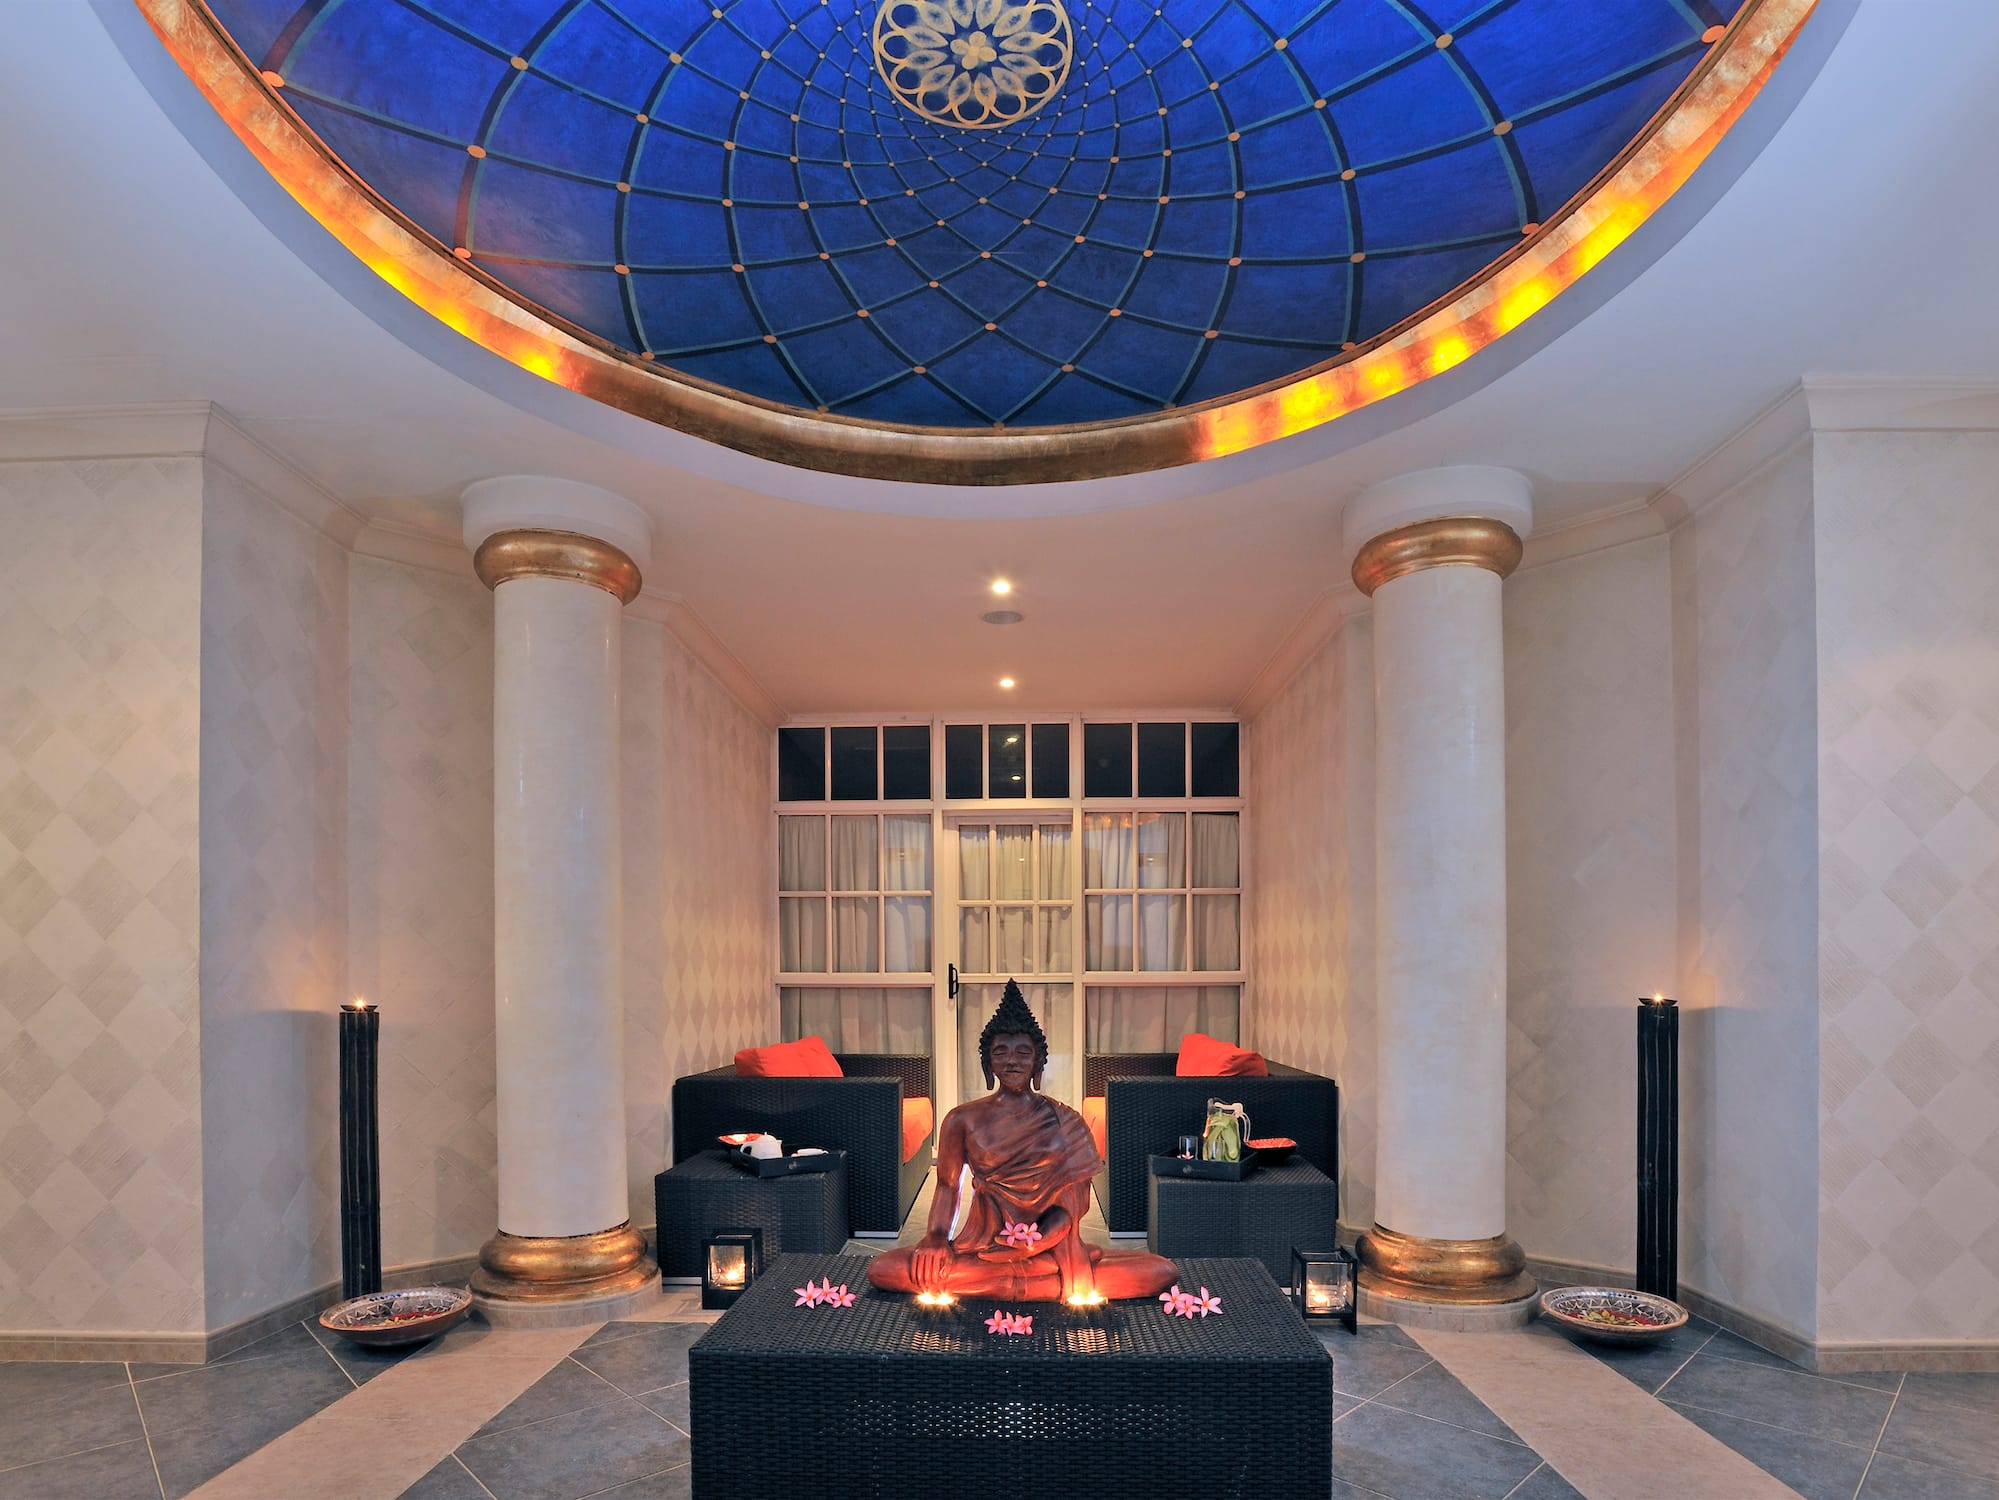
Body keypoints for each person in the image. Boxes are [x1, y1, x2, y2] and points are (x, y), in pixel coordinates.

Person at [867, 982, 1177, 1303]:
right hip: (984, 1246)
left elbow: (1072, 1205)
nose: (1011, 1061)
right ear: (987, 1064)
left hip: (1051, 1248)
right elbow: (947, 1186)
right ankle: (1040, 1288)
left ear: (1038, 1063)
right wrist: (934, 1238)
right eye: (1000, 1052)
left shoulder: (1065, 1121)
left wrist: (1038, 1240)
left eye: (1023, 1052)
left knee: (1159, 1270)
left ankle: (1011, 1285)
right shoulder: (961, 1120)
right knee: (883, 1267)